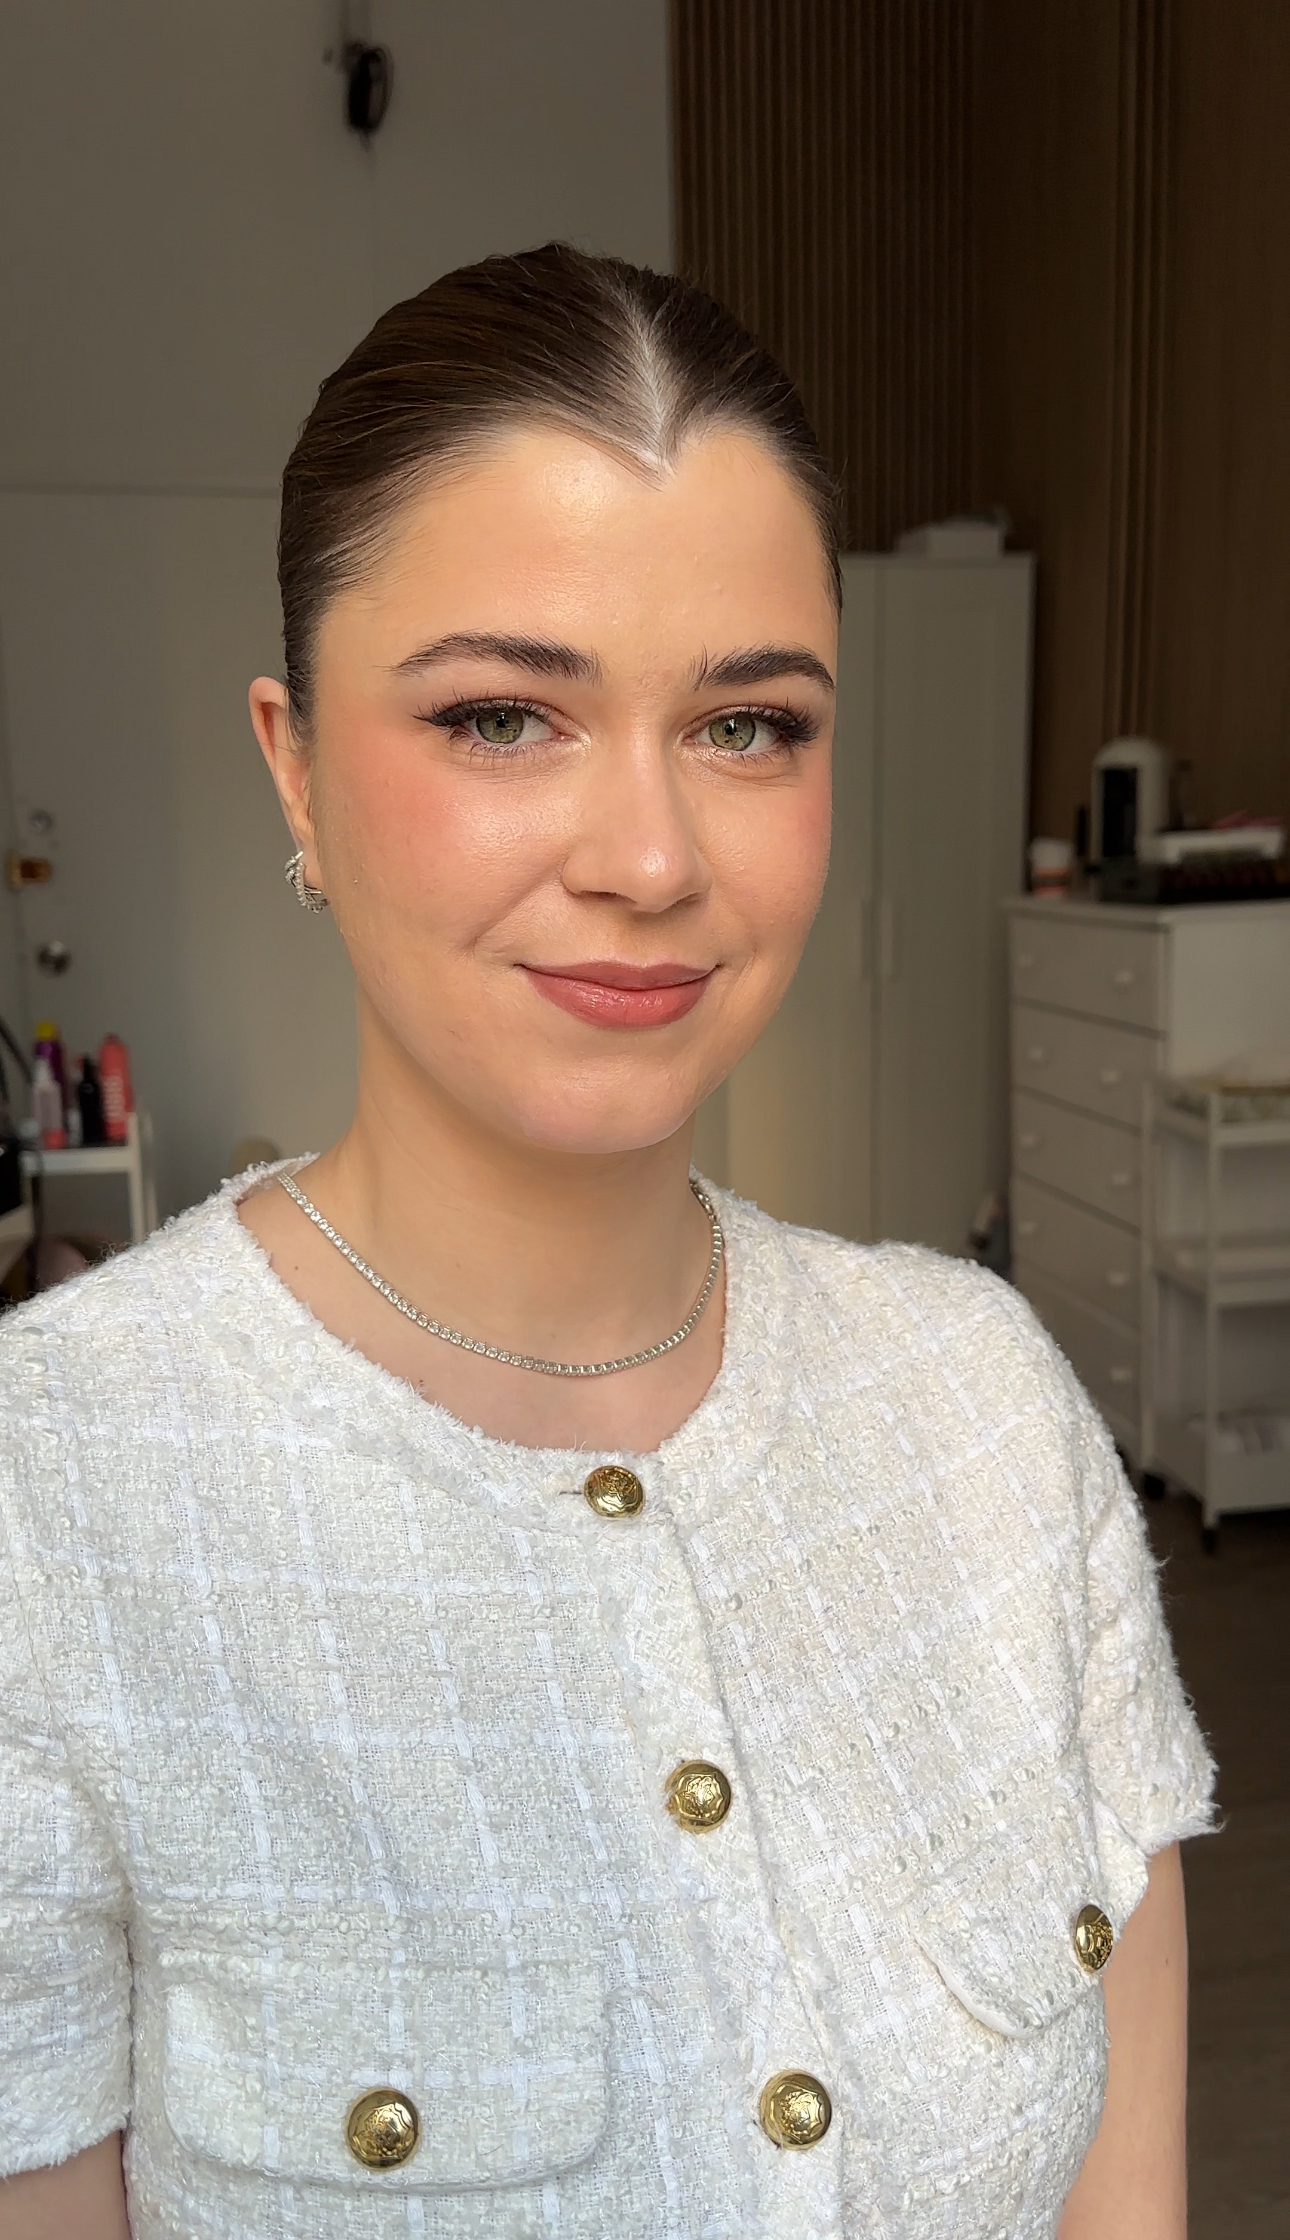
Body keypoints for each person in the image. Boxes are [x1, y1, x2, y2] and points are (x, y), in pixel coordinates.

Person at [0, 245, 1212, 2240]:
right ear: (293, 760)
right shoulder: (62, 1496)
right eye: (501, 717)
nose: (649, 859)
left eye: (750, 728)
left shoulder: (987, 1415)